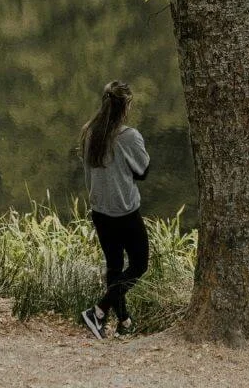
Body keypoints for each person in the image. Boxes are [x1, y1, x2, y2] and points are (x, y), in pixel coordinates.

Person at [79, 80, 150, 340]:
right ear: (126, 106)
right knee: (140, 264)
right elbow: (142, 171)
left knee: (115, 267)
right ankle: (98, 311)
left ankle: (125, 322)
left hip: (100, 211)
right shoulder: (129, 136)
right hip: (125, 212)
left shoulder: (89, 132)